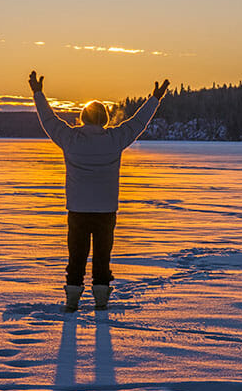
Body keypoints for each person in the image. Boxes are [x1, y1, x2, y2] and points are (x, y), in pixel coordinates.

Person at [29, 71, 170, 311]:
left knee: (76, 257)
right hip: (105, 210)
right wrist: (155, 99)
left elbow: (49, 120)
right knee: (102, 257)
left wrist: (38, 93)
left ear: (83, 118)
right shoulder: (114, 139)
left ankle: (72, 300)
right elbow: (138, 122)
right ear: (104, 119)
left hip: (78, 210)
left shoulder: (71, 139)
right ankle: (101, 300)